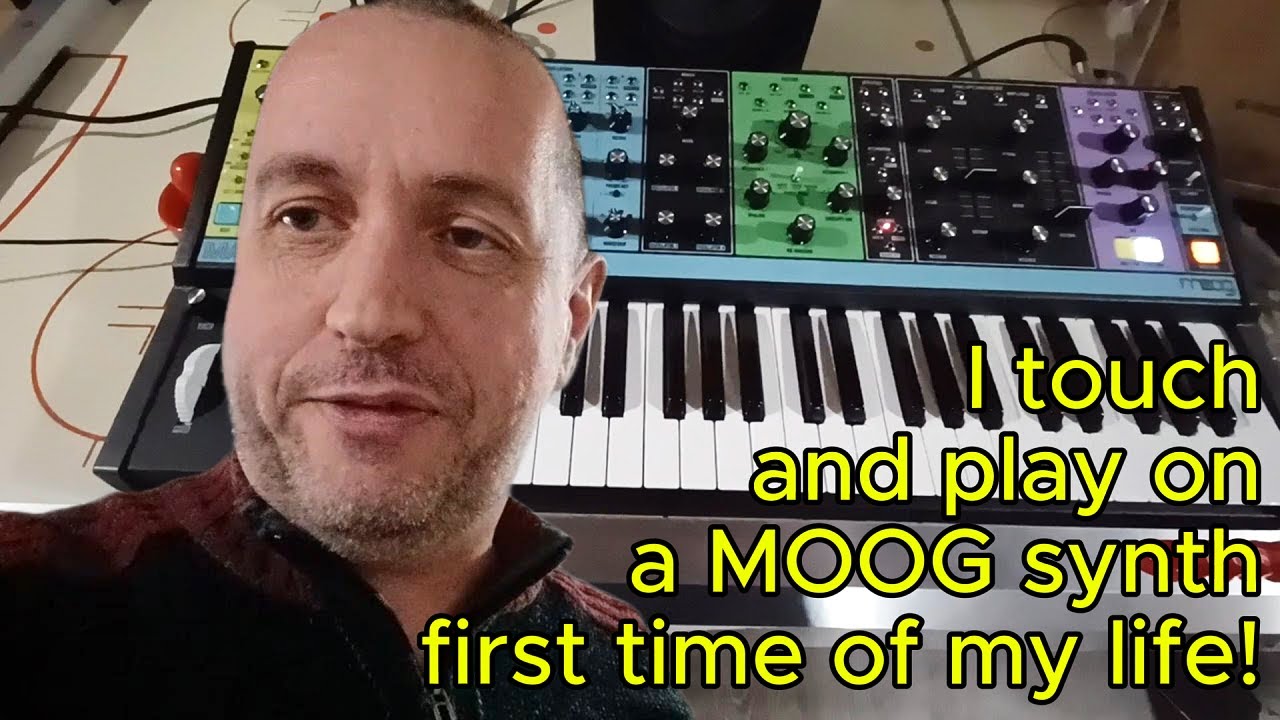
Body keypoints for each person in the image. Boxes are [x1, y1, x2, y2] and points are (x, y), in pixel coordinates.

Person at [0, 2, 693, 718]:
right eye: (303, 218)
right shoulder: (40, 600)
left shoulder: (630, 669)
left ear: (573, 318)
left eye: (468, 236)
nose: (368, 316)